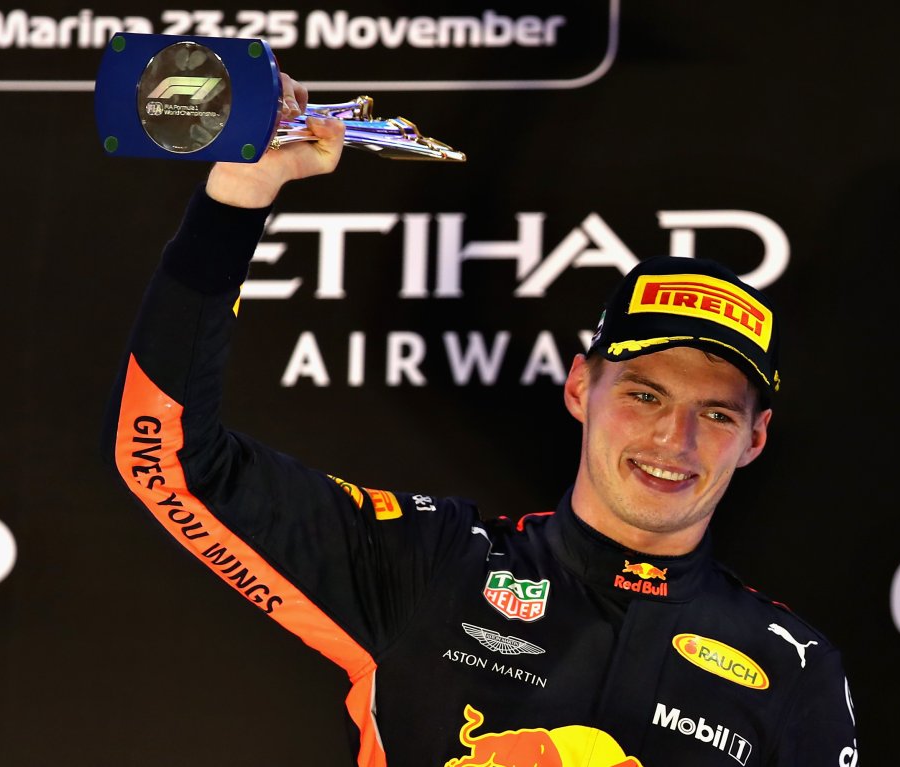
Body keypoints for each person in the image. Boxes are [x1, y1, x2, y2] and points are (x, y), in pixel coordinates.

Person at [104, 74, 858, 767]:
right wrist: (239, 197)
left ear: (755, 439)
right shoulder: (433, 566)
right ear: (579, 387)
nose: (674, 438)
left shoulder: (792, 668)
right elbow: (167, 458)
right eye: (644, 395)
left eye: (716, 413)